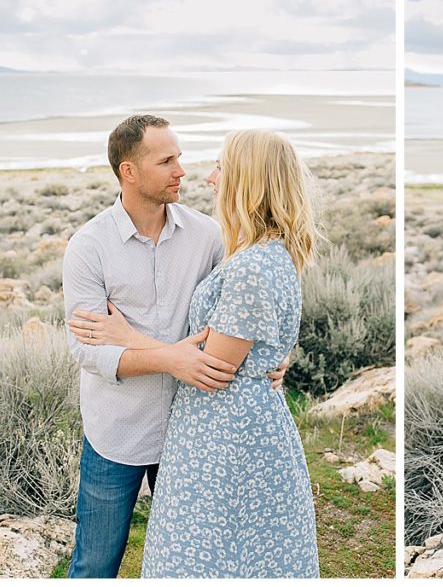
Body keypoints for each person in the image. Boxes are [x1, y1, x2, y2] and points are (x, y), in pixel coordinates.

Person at [75, 130, 320, 578]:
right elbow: (88, 351)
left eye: (215, 166)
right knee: (95, 564)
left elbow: (222, 353)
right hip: (120, 430)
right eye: (167, 160)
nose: (192, 173)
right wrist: (257, 354)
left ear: (249, 179)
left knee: (201, 556)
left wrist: (129, 335)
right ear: (129, 172)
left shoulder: (210, 238)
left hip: (206, 434)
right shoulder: (89, 246)